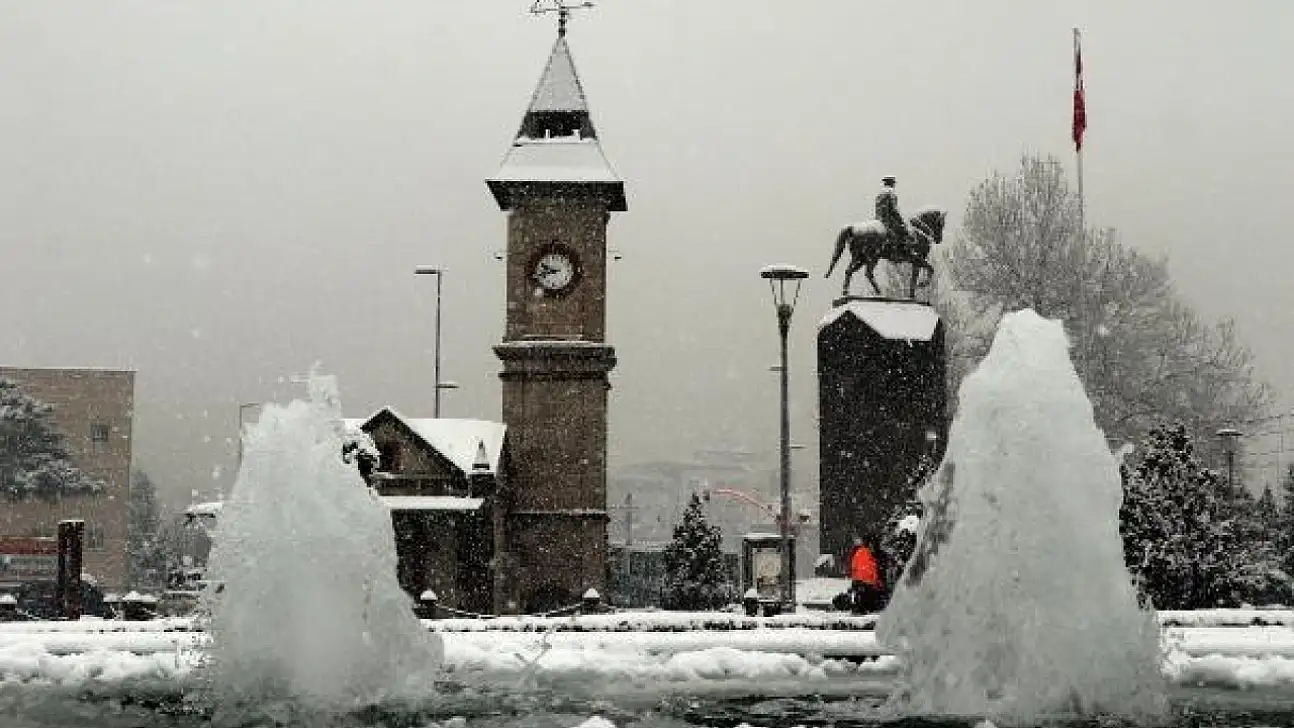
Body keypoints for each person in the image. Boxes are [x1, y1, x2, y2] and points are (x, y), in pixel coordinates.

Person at [848, 538, 884, 615]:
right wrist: (876, 581)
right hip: (866, 582)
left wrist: (855, 578)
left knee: (861, 597)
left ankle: (859, 608)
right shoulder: (867, 553)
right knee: (866, 598)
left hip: (860, 580)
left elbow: (854, 566)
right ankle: (863, 608)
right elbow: (871, 568)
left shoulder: (860, 552)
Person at [875, 175, 911, 253]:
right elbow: (894, 210)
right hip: (888, 221)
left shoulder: (880, 194)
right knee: (905, 232)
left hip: (878, 220)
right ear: (891, 184)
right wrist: (902, 222)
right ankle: (900, 252)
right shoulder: (891, 193)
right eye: (893, 183)